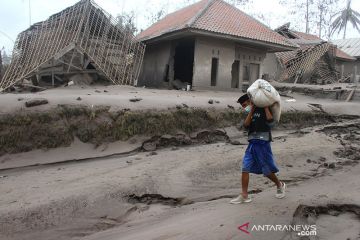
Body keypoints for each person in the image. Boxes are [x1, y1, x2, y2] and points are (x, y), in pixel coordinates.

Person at [230, 93, 285, 204]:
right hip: (252, 143)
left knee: (267, 170)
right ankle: (244, 195)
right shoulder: (251, 112)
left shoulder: (263, 109)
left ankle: (280, 185)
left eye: (245, 104)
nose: (244, 107)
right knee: (245, 167)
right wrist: (251, 110)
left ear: (250, 101)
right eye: (243, 106)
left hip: (263, 143)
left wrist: (264, 106)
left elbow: (270, 121)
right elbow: (245, 125)